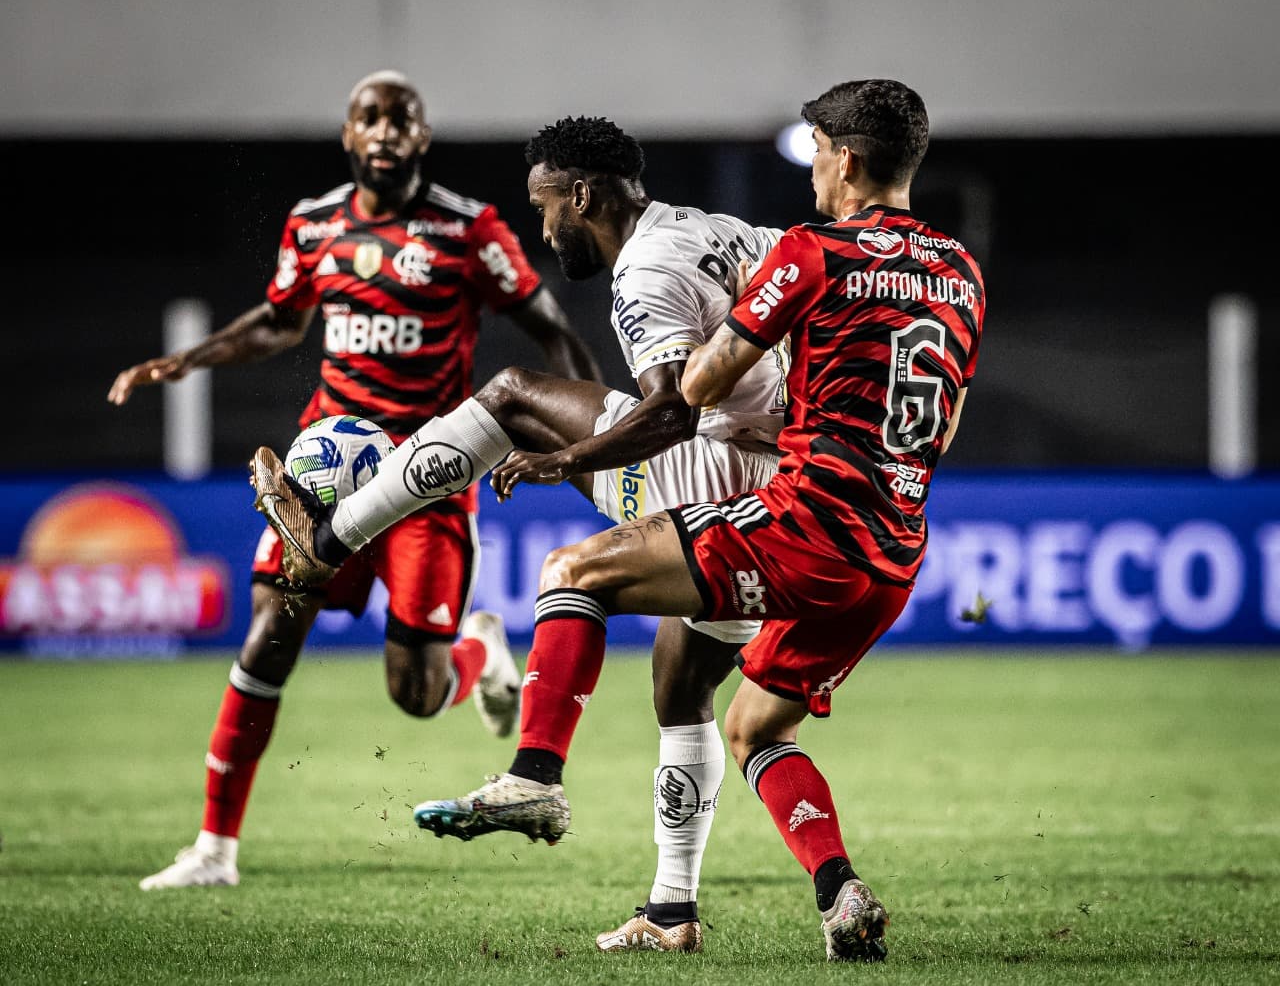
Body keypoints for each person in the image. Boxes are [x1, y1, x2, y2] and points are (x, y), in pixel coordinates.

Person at [406, 78, 986, 962]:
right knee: (752, 723)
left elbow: (695, 389)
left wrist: (698, 388)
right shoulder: (961, 270)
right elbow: (934, 418)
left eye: (821, 153)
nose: (816, 171)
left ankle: (534, 778)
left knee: (575, 571)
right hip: (896, 545)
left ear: (851, 159)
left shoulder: (810, 251)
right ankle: (833, 894)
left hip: (806, 520)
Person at [249, 116, 790, 951]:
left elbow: (670, 412)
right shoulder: (725, 232)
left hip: (707, 477)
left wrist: (566, 454)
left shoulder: (644, 266)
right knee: (683, 692)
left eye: (546, 208)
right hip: (774, 500)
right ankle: (673, 910)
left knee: (509, 398)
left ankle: (328, 539)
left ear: (583, 195)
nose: (544, 229)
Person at [108, 70, 601, 891]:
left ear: (421, 137)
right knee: (271, 629)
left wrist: (596, 436)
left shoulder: (467, 230)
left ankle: (477, 654)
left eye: (400, 119)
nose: (384, 131)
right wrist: (187, 359)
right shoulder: (314, 225)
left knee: (416, 694)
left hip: (430, 476)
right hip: (324, 475)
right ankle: (213, 849)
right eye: (368, 118)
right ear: (347, 135)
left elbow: (547, 327)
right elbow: (278, 319)